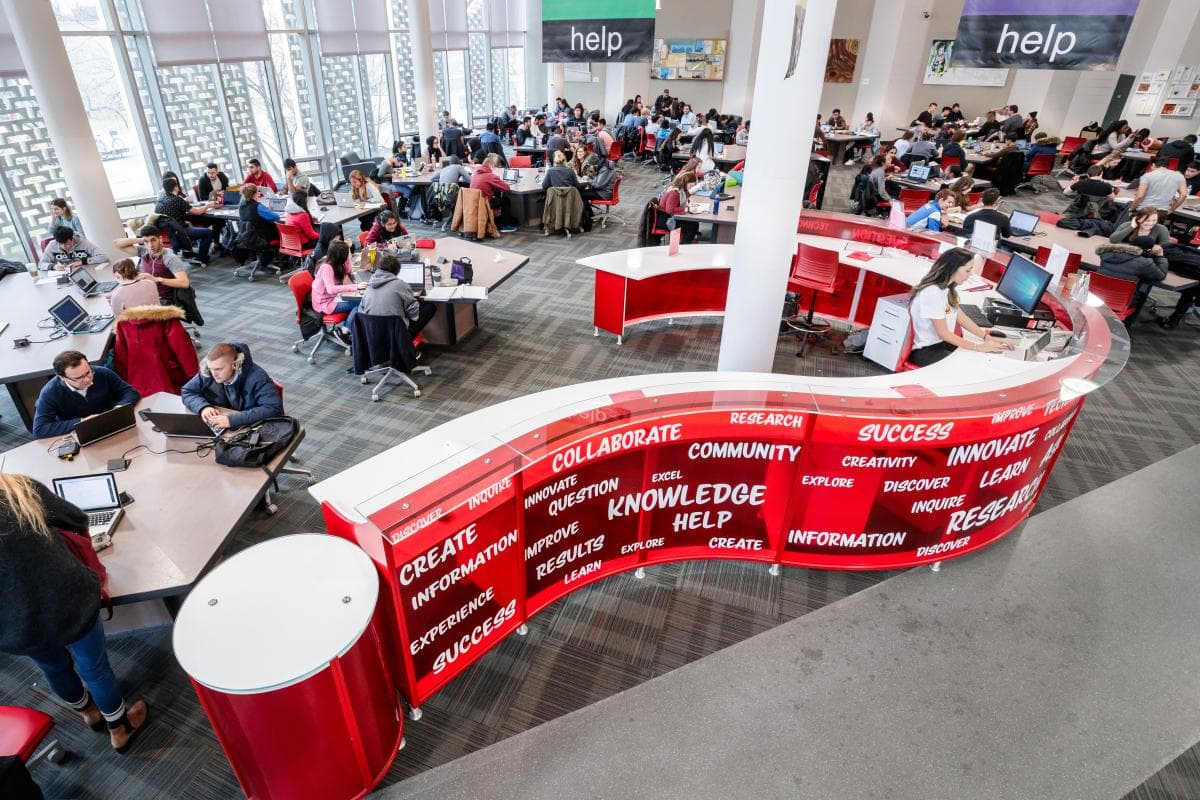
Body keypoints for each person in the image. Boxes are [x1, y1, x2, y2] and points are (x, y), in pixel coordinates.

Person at [0, 474, 150, 751]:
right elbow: (76, 517)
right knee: (94, 668)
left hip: (14, 624)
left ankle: (89, 713)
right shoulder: (16, 488)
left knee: (53, 668)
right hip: (67, 599)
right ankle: (119, 728)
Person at [907, 249, 1012, 366]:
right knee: (972, 365)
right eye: (967, 270)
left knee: (983, 358)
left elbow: (961, 317)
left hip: (941, 344)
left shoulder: (947, 289)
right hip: (926, 351)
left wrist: (986, 337)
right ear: (952, 269)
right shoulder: (932, 293)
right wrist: (979, 347)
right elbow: (944, 333)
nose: (970, 274)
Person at [32, 350, 140, 438]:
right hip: (80, 434)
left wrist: (118, 409)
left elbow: (130, 392)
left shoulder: (102, 372)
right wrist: (82, 422)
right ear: (62, 377)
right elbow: (40, 429)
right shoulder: (50, 392)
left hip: (112, 425)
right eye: (79, 378)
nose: (87, 380)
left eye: (88, 372)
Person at [181, 342, 284, 430]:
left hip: (251, 427)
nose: (213, 374)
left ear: (235, 364)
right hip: (224, 426)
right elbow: (187, 391)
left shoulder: (258, 378)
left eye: (219, 369)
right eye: (211, 368)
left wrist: (231, 420)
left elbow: (273, 408)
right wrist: (203, 407)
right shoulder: (208, 373)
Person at [1098, 207, 1170, 322]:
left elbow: (1167, 247)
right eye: (1147, 220)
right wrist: (1132, 226)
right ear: (1138, 219)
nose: (1150, 223)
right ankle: (1128, 319)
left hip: (1132, 263)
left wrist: (1157, 251)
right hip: (1135, 264)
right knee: (1140, 289)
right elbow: (1113, 239)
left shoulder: (1160, 229)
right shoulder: (1128, 225)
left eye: (1154, 220)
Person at [359, 253, 437, 339]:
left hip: (372, 333)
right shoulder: (401, 285)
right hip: (397, 334)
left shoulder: (369, 286)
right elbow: (415, 318)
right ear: (398, 271)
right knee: (430, 307)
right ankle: (408, 346)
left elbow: (361, 312)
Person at [113, 224, 191, 303]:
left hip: (163, 299)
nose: (150, 245)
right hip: (146, 294)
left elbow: (184, 283)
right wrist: (140, 240)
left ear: (160, 239)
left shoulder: (170, 258)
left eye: (153, 240)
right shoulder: (144, 251)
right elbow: (117, 244)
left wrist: (156, 279)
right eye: (146, 242)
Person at [311, 241, 366, 346]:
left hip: (333, 298)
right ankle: (345, 331)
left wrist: (348, 255)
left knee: (359, 302)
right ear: (340, 257)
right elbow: (331, 289)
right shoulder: (326, 267)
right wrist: (355, 286)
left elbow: (349, 270)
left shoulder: (336, 263)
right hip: (324, 303)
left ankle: (350, 328)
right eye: (346, 254)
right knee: (360, 303)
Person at [155, 176, 215, 263]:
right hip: (180, 232)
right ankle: (201, 257)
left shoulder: (161, 199)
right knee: (208, 232)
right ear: (176, 187)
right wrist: (208, 205)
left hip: (168, 233)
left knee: (192, 224)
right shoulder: (177, 199)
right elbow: (197, 212)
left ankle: (188, 252)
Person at [469, 154, 519, 233]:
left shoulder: (475, 173)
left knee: (497, 194)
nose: (495, 169)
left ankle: (499, 220)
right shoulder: (490, 176)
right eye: (494, 167)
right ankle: (504, 225)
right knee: (505, 200)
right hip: (485, 203)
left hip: (476, 202)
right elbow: (506, 188)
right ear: (491, 165)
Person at [657, 169, 700, 243]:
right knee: (691, 226)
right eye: (691, 185)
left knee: (694, 223)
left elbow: (679, 202)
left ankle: (688, 239)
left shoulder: (681, 190)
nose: (691, 187)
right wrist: (686, 210)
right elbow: (670, 210)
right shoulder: (675, 193)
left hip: (668, 216)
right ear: (685, 182)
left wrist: (687, 205)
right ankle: (684, 245)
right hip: (665, 220)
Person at [39, 225, 106, 270]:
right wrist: (53, 266)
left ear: (72, 238)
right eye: (61, 244)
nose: (64, 247)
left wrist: (81, 262)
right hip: (64, 276)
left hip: (86, 273)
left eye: (67, 244)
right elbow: (41, 264)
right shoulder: (52, 245)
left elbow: (103, 257)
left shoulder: (83, 242)